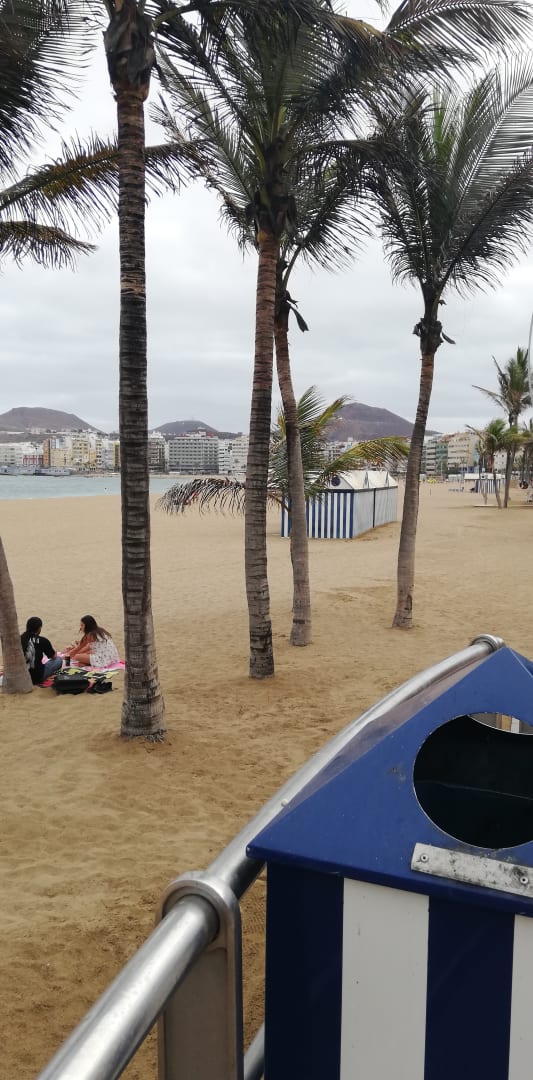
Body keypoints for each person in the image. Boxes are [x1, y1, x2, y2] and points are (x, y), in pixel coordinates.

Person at [21, 617, 63, 685]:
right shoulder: (43, 640)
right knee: (59, 660)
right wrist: (54, 652)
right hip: (37, 676)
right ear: (39, 628)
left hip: (21, 676)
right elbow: (54, 657)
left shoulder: (20, 638)